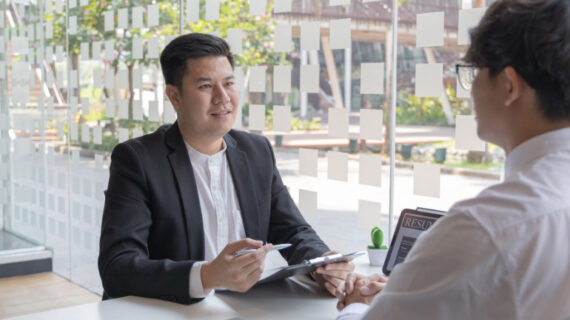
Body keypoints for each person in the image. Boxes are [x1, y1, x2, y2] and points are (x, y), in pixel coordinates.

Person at [335, 0, 570, 318]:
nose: (470, 88)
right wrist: (410, 293)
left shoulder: (484, 228)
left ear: (509, 85)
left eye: (473, 72)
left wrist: (358, 309)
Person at [98, 33, 353, 305]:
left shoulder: (256, 151)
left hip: (246, 308)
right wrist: (207, 276)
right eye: (206, 86)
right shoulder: (138, 160)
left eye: (229, 83)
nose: (223, 97)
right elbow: (118, 268)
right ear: (174, 96)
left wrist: (324, 264)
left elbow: (293, 230)